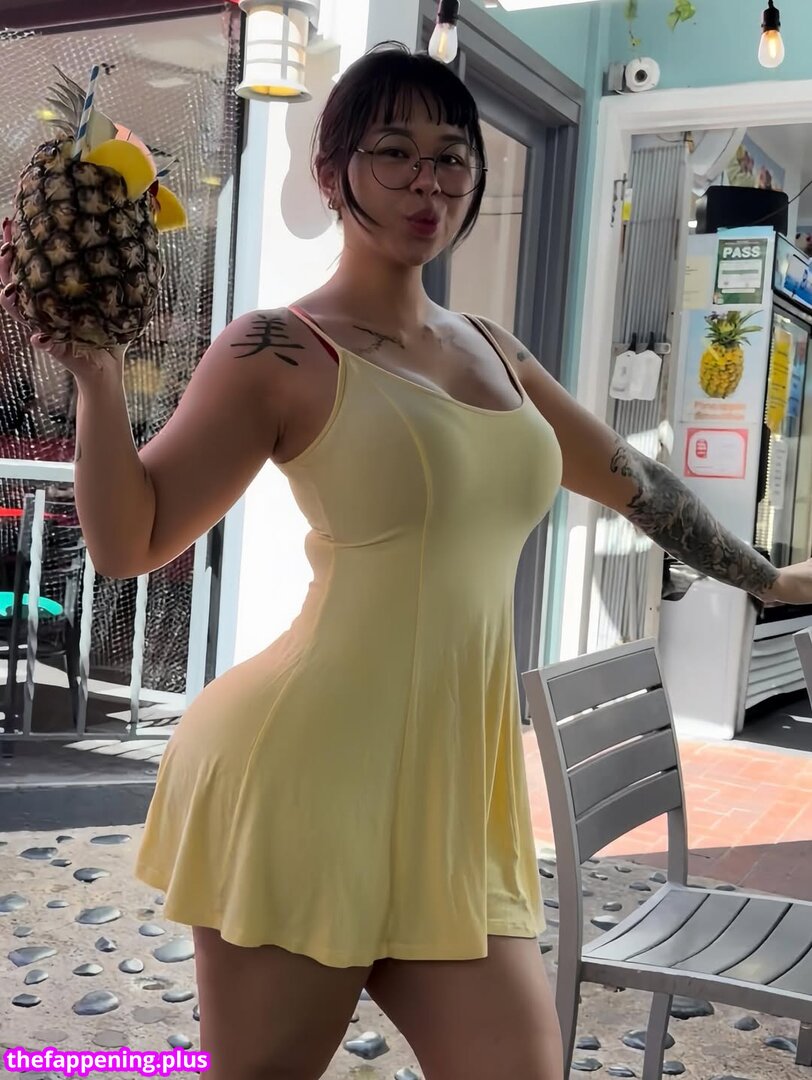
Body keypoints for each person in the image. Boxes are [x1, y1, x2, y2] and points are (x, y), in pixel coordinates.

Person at [2, 41, 812, 1080]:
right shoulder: (274, 349)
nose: (429, 180)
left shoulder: (497, 349)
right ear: (329, 173)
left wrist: (769, 581)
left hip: (451, 799)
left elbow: (634, 482)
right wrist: (100, 381)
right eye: (393, 151)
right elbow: (132, 541)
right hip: (304, 778)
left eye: (452, 154)